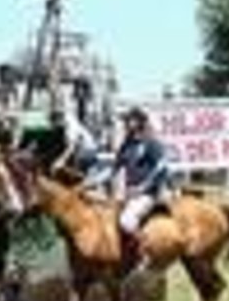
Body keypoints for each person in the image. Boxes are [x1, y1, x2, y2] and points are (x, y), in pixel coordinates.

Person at [101, 107, 170, 259]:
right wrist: (91, 182)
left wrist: (142, 187)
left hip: (148, 194)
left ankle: (145, 253)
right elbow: (113, 168)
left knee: (126, 222)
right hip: (129, 194)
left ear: (139, 122)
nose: (125, 123)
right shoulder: (126, 145)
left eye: (128, 120)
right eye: (125, 120)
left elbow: (162, 167)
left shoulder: (151, 142)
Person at [49, 109, 102, 188]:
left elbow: (71, 147)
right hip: (87, 150)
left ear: (59, 119)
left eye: (55, 123)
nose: (54, 126)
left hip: (86, 151)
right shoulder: (70, 121)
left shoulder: (70, 126)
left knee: (78, 177)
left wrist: (60, 161)